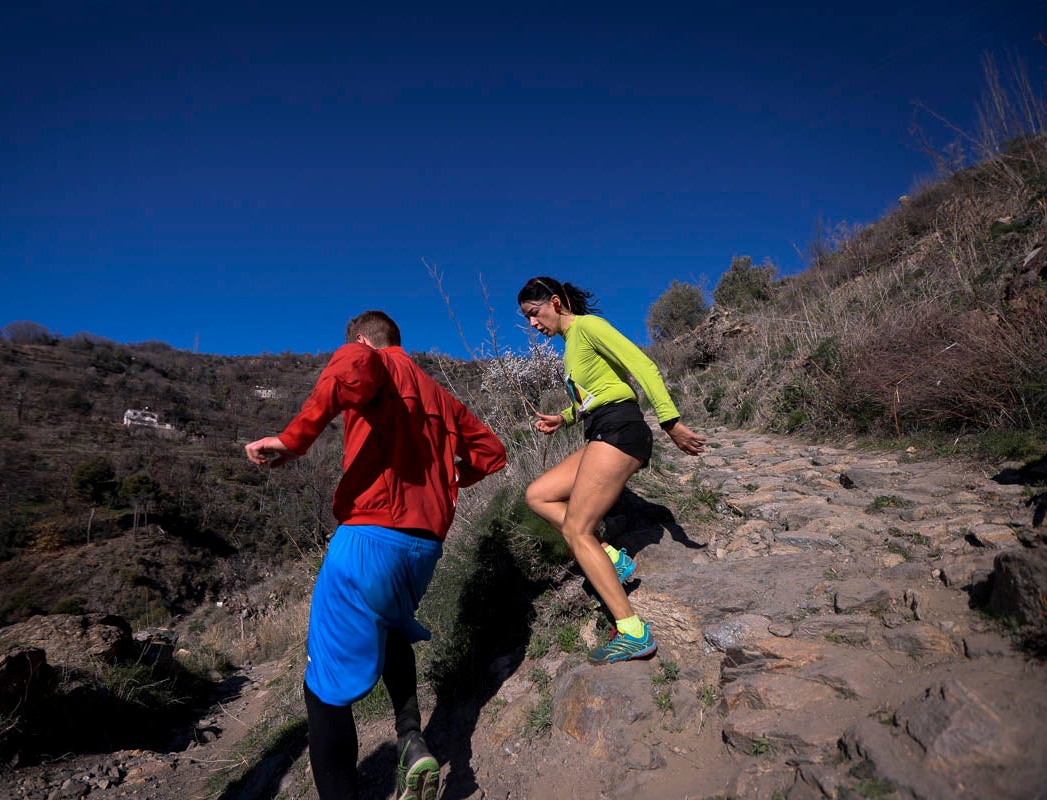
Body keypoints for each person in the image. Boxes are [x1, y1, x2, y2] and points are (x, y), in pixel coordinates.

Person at [244, 311, 506, 800]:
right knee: (391, 631)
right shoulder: (441, 396)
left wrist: (290, 441)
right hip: (424, 549)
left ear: (362, 341)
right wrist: (444, 481)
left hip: (368, 538)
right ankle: (411, 739)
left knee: (321, 693)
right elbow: (492, 452)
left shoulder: (370, 360)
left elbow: (353, 369)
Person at [517, 276, 706, 664]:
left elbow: (642, 366)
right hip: (602, 429)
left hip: (621, 430)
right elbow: (600, 393)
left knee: (575, 528)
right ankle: (612, 558)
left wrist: (670, 422)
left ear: (555, 301)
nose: (533, 325)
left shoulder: (589, 327)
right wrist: (564, 418)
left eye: (535, 314)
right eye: (528, 319)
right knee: (538, 494)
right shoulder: (572, 345)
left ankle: (633, 631)